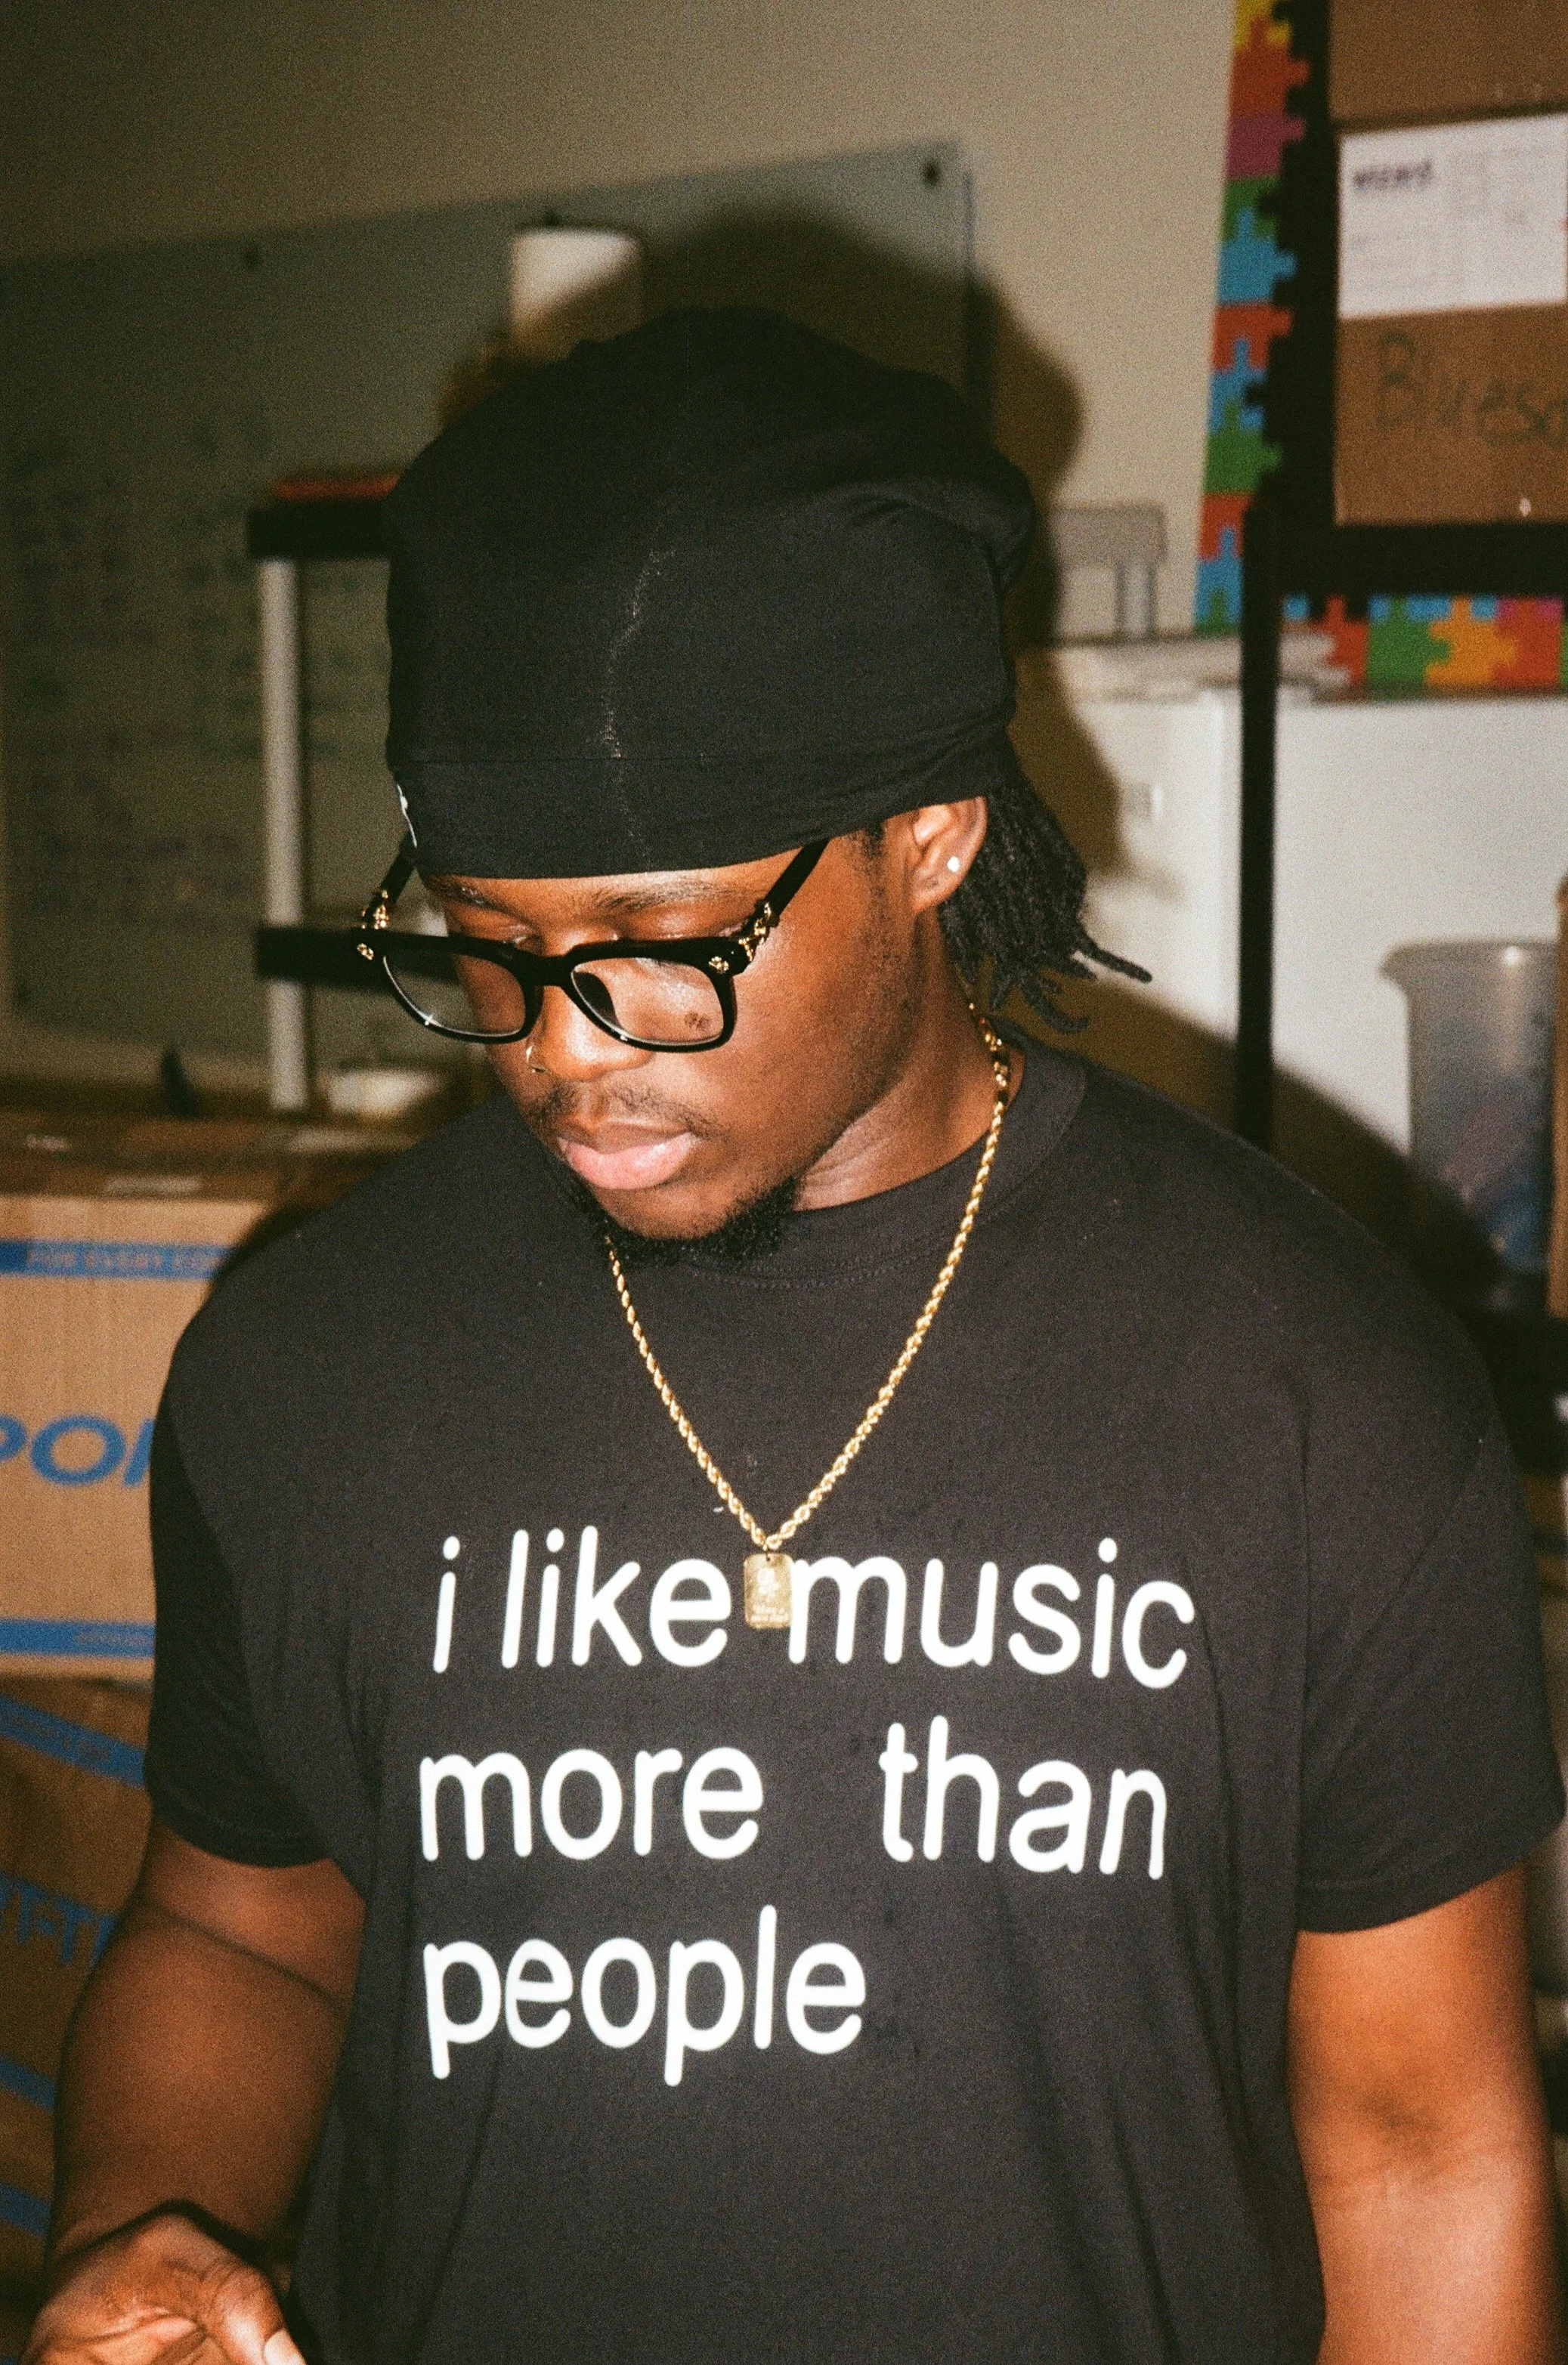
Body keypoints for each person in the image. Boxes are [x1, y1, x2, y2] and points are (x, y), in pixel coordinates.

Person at [24, 311, 1566, 2365]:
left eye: (665, 952)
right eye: (490, 946)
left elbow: (1422, 2143)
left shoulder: (1311, 1391)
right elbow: (244, 1924)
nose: (567, 1053)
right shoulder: (312, 1362)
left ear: (929, 835)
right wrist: (131, 2232)